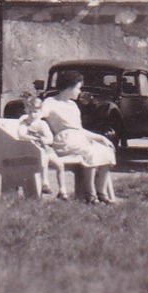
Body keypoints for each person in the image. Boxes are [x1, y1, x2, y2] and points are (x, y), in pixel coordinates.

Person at [27, 70, 119, 203]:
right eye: (78, 88)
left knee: (106, 151)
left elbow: (80, 130)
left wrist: (101, 138)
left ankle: (102, 193)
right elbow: (38, 116)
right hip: (65, 141)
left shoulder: (73, 105)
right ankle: (90, 194)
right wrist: (30, 124)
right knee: (91, 152)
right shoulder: (50, 102)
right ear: (69, 87)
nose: (79, 92)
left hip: (78, 138)